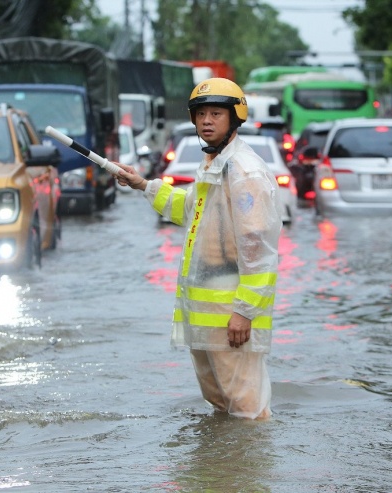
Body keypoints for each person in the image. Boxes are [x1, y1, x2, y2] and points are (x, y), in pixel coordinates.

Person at [115, 78, 282, 420]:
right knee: (222, 405)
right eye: (201, 113)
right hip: (207, 314)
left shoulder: (243, 171)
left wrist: (245, 311)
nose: (206, 121)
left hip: (232, 317)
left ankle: (247, 471)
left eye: (216, 114)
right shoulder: (214, 164)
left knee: (246, 409)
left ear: (235, 117)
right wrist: (144, 185)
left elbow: (258, 247)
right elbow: (192, 211)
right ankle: (223, 470)